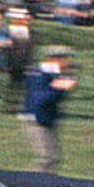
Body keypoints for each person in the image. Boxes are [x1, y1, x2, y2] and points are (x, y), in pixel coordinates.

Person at [20, 45, 78, 173]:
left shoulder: (51, 74)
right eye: (65, 59)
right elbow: (40, 99)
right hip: (37, 119)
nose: (67, 63)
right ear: (55, 59)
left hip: (46, 118)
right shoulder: (41, 74)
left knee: (51, 158)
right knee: (46, 158)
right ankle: (26, 183)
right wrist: (59, 87)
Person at [2, 8, 35, 114]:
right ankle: (7, 106)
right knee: (9, 86)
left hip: (23, 63)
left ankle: (15, 107)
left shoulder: (29, 31)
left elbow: (30, 49)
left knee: (19, 86)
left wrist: (28, 62)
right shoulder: (9, 30)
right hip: (12, 62)